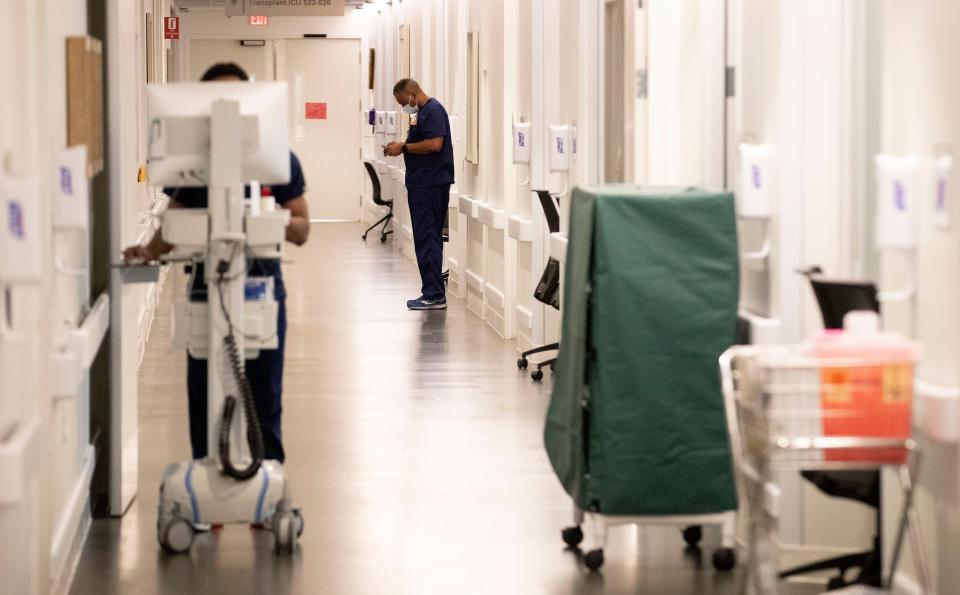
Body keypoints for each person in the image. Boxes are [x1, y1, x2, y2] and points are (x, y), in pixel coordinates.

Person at [123, 63, 310, 463]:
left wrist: (265, 216)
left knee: (264, 392)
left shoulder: (279, 160)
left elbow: (302, 229)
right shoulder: (191, 164)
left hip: (262, 285)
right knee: (204, 391)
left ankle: (267, 481)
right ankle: (205, 482)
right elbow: (172, 225)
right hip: (206, 286)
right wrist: (146, 252)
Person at [383, 79, 455, 311]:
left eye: (405, 103)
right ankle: (432, 291)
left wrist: (403, 148)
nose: (406, 107)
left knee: (428, 238)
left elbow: (435, 144)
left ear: (412, 95)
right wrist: (402, 145)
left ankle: (434, 295)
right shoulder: (421, 113)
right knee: (426, 237)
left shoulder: (432, 110)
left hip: (431, 184)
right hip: (423, 183)